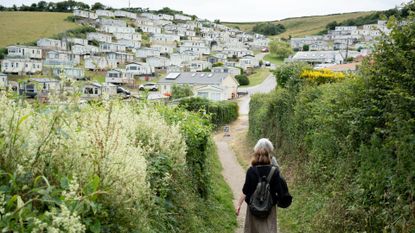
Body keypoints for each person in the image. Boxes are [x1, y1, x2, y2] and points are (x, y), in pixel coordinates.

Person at [236, 138, 292, 233]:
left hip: (253, 208)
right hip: (269, 209)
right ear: (269, 153)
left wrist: (238, 205)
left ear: (256, 153)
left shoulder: (251, 171)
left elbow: (245, 190)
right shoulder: (275, 171)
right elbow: (279, 192)